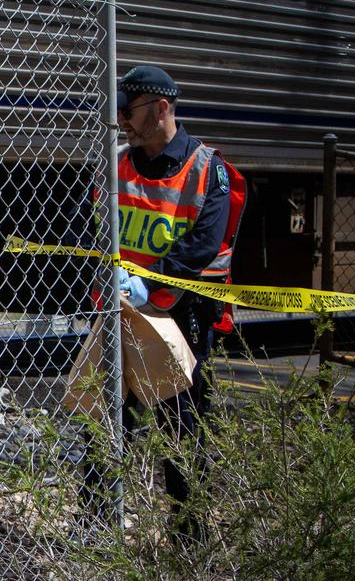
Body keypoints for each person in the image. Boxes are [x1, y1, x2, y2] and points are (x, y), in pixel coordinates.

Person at [82, 65, 246, 540]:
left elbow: (204, 243)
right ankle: (96, 526)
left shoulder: (206, 168)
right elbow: (88, 221)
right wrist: (105, 268)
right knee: (104, 419)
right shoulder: (116, 162)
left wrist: (149, 284)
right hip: (122, 311)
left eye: (128, 111)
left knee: (184, 429)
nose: (122, 122)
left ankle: (188, 534)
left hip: (181, 315)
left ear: (160, 109)